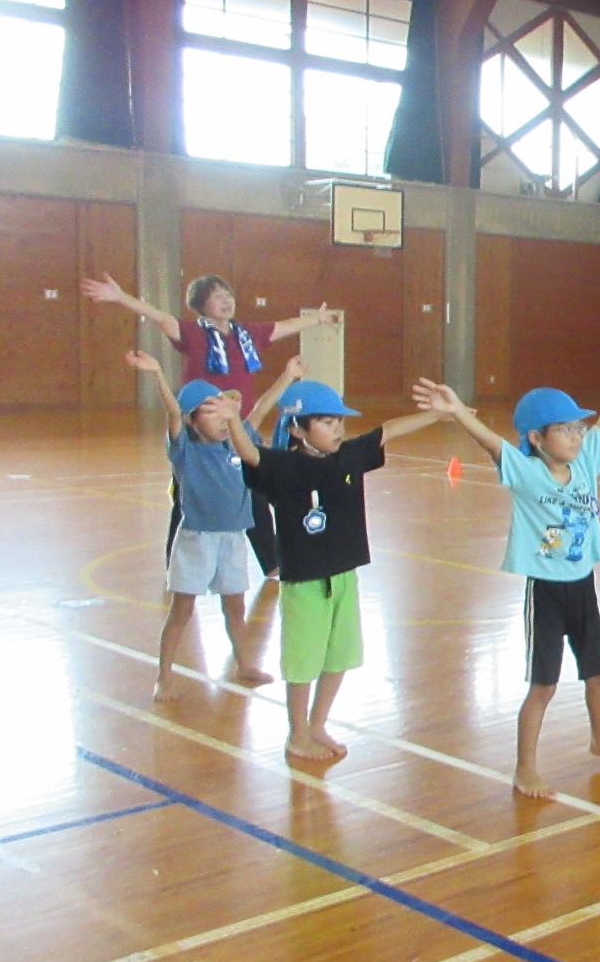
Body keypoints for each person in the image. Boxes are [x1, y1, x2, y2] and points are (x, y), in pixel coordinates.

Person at [412, 360, 600, 798]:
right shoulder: (526, 472)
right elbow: (491, 443)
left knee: (598, 674)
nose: (577, 435)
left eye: (577, 428)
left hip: (583, 587)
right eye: (564, 430)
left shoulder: (586, 462)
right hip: (546, 594)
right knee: (543, 685)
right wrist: (458, 412)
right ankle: (525, 768)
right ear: (536, 438)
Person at [228, 379, 446, 762]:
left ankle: (317, 725)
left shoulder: (348, 456)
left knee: (339, 657)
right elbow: (249, 452)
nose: (338, 429)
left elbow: (388, 430)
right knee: (303, 663)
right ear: (298, 429)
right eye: (327, 422)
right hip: (305, 582)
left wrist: (438, 414)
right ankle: (297, 735)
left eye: (339, 422)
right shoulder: (283, 465)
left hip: (345, 574)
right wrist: (233, 420)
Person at [80, 270, 329, 576]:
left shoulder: (247, 334)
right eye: (217, 296)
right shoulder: (192, 334)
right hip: (202, 432)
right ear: (201, 305)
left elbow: (283, 327)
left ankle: (272, 564)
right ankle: (176, 565)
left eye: (228, 295)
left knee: (254, 491)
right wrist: (120, 297)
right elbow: (159, 316)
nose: (226, 301)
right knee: (188, 496)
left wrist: (316, 319)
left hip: (238, 430)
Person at [126, 350, 299, 700]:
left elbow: (261, 407)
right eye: (210, 412)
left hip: (233, 539)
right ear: (192, 421)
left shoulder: (238, 440)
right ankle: (164, 675)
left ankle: (245, 665)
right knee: (182, 610)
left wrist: (288, 375)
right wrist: (158, 373)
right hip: (197, 540)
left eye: (223, 410)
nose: (222, 419)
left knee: (235, 607)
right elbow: (172, 413)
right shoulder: (185, 450)